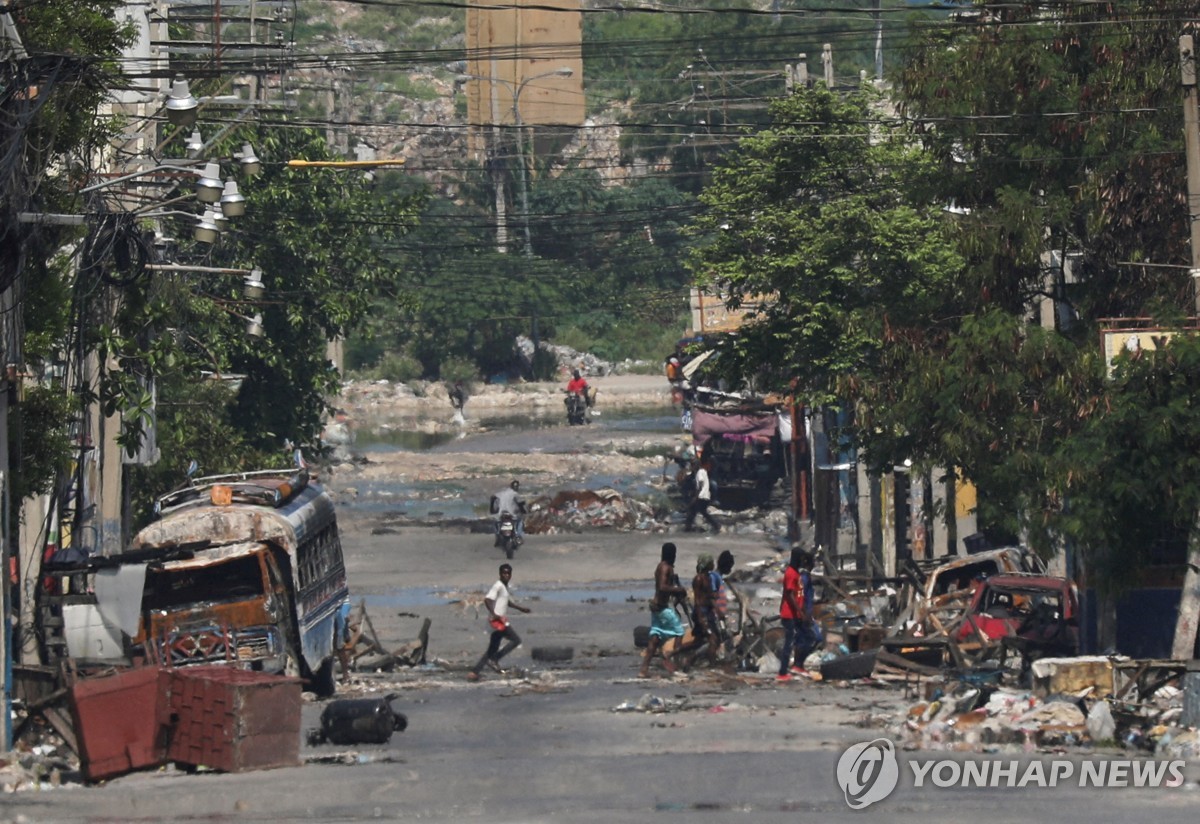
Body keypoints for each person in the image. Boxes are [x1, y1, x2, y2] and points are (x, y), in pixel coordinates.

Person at [467, 564, 531, 681]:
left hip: (498, 621)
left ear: (511, 575)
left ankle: (474, 672)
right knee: (516, 640)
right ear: (500, 574)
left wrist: (520, 608)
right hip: (498, 621)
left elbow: (506, 601)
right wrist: (493, 613)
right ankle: (495, 659)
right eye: (504, 573)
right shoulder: (498, 586)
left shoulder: (504, 587)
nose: (506, 575)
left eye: (508, 573)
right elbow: (487, 600)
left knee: (492, 649)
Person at [639, 542, 688, 678]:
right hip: (661, 608)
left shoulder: (662, 567)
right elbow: (662, 587)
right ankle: (673, 662)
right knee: (679, 632)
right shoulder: (665, 568)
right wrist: (679, 589)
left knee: (654, 639)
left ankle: (643, 670)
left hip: (656, 607)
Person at [776, 547, 809, 681]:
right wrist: (799, 610)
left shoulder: (796, 573)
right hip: (789, 613)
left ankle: (795, 666)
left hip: (795, 614)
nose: (803, 561)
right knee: (789, 643)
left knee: (797, 640)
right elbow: (789, 594)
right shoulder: (790, 573)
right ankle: (783, 672)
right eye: (801, 558)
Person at [691, 553, 720, 666]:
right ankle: (712, 666)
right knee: (713, 640)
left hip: (707, 611)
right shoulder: (699, 579)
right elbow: (698, 600)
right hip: (701, 612)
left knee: (698, 641)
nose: (713, 565)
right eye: (712, 563)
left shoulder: (707, 577)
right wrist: (701, 618)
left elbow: (707, 595)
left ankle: (688, 659)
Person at [684, 458, 720, 533]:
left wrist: (695, 497)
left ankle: (716, 525)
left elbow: (700, 486)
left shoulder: (700, 473)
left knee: (698, 511)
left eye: (693, 465)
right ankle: (688, 527)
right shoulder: (702, 472)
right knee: (694, 511)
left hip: (701, 496)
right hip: (704, 495)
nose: (692, 467)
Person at [493, 479, 526, 543]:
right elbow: (520, 503)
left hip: (501, 513)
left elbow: (493, 497)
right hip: (512, 514)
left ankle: (497, 534)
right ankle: (518, 535)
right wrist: (523, 511)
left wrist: (493, 508)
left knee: (496, 522)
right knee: (520, 521)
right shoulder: (515, 494)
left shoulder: (503, 493)